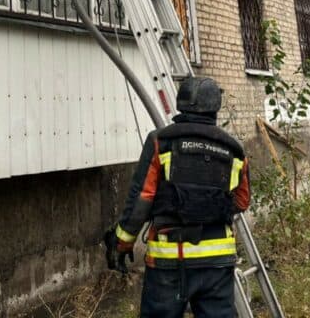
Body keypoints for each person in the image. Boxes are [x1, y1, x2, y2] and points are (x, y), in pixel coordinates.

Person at [104, 77, 251, 318]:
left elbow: (142, 199)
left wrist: (121, 243)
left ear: (181, 103)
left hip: (170, 262)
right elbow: (242, 201)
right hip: (218, 262)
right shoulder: (234, 150)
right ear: (215, 106)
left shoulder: (160, 141)